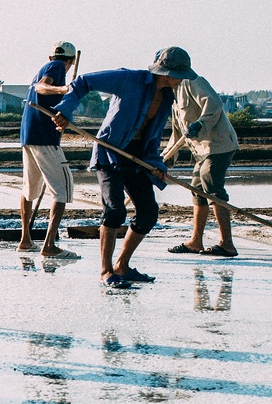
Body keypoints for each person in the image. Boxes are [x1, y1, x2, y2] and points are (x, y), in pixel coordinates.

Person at [42, 47, 192, 290]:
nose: (182, 79)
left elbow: (152, 137)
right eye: (179, 74)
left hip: (138, 158)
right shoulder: (128, 79)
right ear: (165, 72)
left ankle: (122, 265)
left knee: (148, 212)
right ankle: (105, 271)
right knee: (114, 211)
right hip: (111, 153)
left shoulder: (166, 97)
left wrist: (156, 164)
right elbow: (82, 82)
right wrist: (65, 110)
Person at [163, 68, 240, 257]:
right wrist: (165, 159)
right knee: (197, 190)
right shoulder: (172, 94)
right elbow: (177, 134)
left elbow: (213, 105)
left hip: (217, 145)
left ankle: (227, 244)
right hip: (201, 151)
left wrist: (200, 124)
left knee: (212, 186)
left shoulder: (192, 81)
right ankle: (195, 241)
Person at [17, 41, 79, 253]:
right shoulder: (57, 68)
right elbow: (41, 87)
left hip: (29, 135)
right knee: (62, 188)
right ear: (71, 61)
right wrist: (65, 88)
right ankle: (49, 245)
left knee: (29, 187)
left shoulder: (46, 66)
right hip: (44, 137)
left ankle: (25, 240)